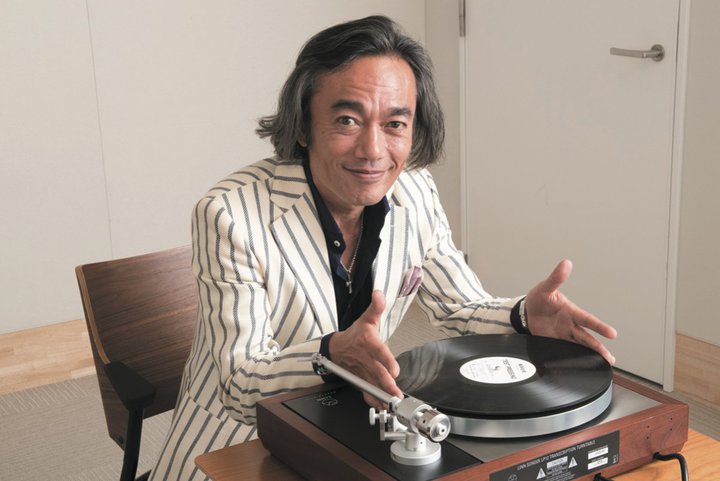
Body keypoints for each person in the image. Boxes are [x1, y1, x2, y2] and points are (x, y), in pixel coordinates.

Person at [149, 15, 617, 481]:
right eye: (347, 120)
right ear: (303, 125)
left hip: (356, 430)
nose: (373, 150)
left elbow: (459, 305)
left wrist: (522, 316)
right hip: (237, 448)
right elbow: (240, 384)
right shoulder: (229, 214)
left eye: (395, 123)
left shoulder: (416, 189)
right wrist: (332, 353)